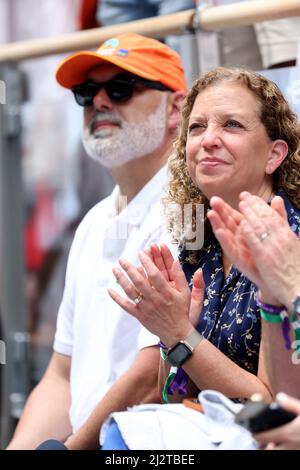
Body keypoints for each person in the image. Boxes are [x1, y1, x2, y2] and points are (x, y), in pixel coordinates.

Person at [103, 66, 300, 449]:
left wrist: (181, 335)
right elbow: (173, 396)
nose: (208, 140)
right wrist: (171, 338)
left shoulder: (289, 245)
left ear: (274, 155)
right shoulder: (199, 247)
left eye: (232, 126)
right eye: (196, 128)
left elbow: (275, 408)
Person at [7, 32, 186, 450]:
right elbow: (61, 376)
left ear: (176, 107)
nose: (100, 102)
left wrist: (68, 450)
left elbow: (152, 373)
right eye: (86, 93)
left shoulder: (188, 211)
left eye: (121, 88)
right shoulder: (93, 222)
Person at [208, 192, 300, 450]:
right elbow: (288, 398)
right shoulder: (195, 243)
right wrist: (271, 295)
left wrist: (293, 288)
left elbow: (264, 395)